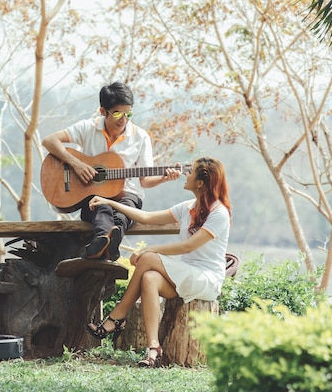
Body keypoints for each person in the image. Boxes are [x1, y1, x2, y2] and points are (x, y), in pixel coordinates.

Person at [86, 156, 231, 368]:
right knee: (150, 278)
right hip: (186, 274)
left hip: (205, 279)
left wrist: (149, 249)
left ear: (200, 182)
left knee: (148, 257)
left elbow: (187, 247)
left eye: (190, 172)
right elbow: (146, 217)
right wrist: (110, 202)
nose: (185, 174)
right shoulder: (189, 207)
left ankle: (116, 317)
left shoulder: (219, 213)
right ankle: (153, 347)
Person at [41, 81, 179, 261]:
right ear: (103, 111)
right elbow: (49, 141)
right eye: (117, 113)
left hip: (128, 196)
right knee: (102, 206)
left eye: (128, 113)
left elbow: (145, 181)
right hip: (93, 196)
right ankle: (108, 247)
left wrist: (163, 179)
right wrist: (76, 164)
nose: (124, 119)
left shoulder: (140, 136)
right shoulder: (88, 128)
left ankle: (100, 244)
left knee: (122, 214)